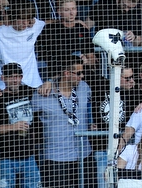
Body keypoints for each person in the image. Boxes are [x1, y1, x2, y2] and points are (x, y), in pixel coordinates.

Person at [31, 60, 91, 188]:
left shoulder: (84, 87)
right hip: (56, 158)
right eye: (79, 73)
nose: (82, 76)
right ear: (67, 73)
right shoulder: (42, 94)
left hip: (83, 154)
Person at [0, 63, 41, 188]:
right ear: (3, 78)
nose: (15, 80)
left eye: (18, 76)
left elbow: (50, 87)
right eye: (11, 77)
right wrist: (12, 127)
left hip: (28, 157)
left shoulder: (29, 92)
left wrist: (49, 82)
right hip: (4, 158)